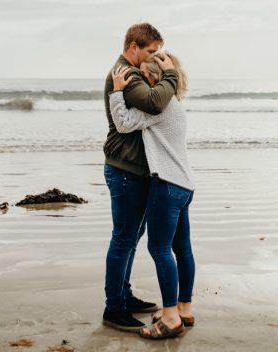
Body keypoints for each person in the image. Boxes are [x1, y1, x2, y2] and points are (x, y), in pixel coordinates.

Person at [109, 52, 195, 340]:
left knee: (159, 250)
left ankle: (170, 318)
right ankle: (184, 308)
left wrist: (119, 92)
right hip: (185, 185)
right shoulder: (176, 104)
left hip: (167, 185)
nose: (143, 83)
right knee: (182, 248)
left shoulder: (157, 107)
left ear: (153, 77)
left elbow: (123, 123)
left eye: (145, 76)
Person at [102, 23, 178, 332]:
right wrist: (172, 75)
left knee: (131, 238)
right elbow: (155, 102)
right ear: (134, 47)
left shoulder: (131, 72)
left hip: (136, 169)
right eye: (151, 51)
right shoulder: (127, 75)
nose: (156, 58)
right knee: (123, 239)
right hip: (125, 170)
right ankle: (114, 308)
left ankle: (125, 295)